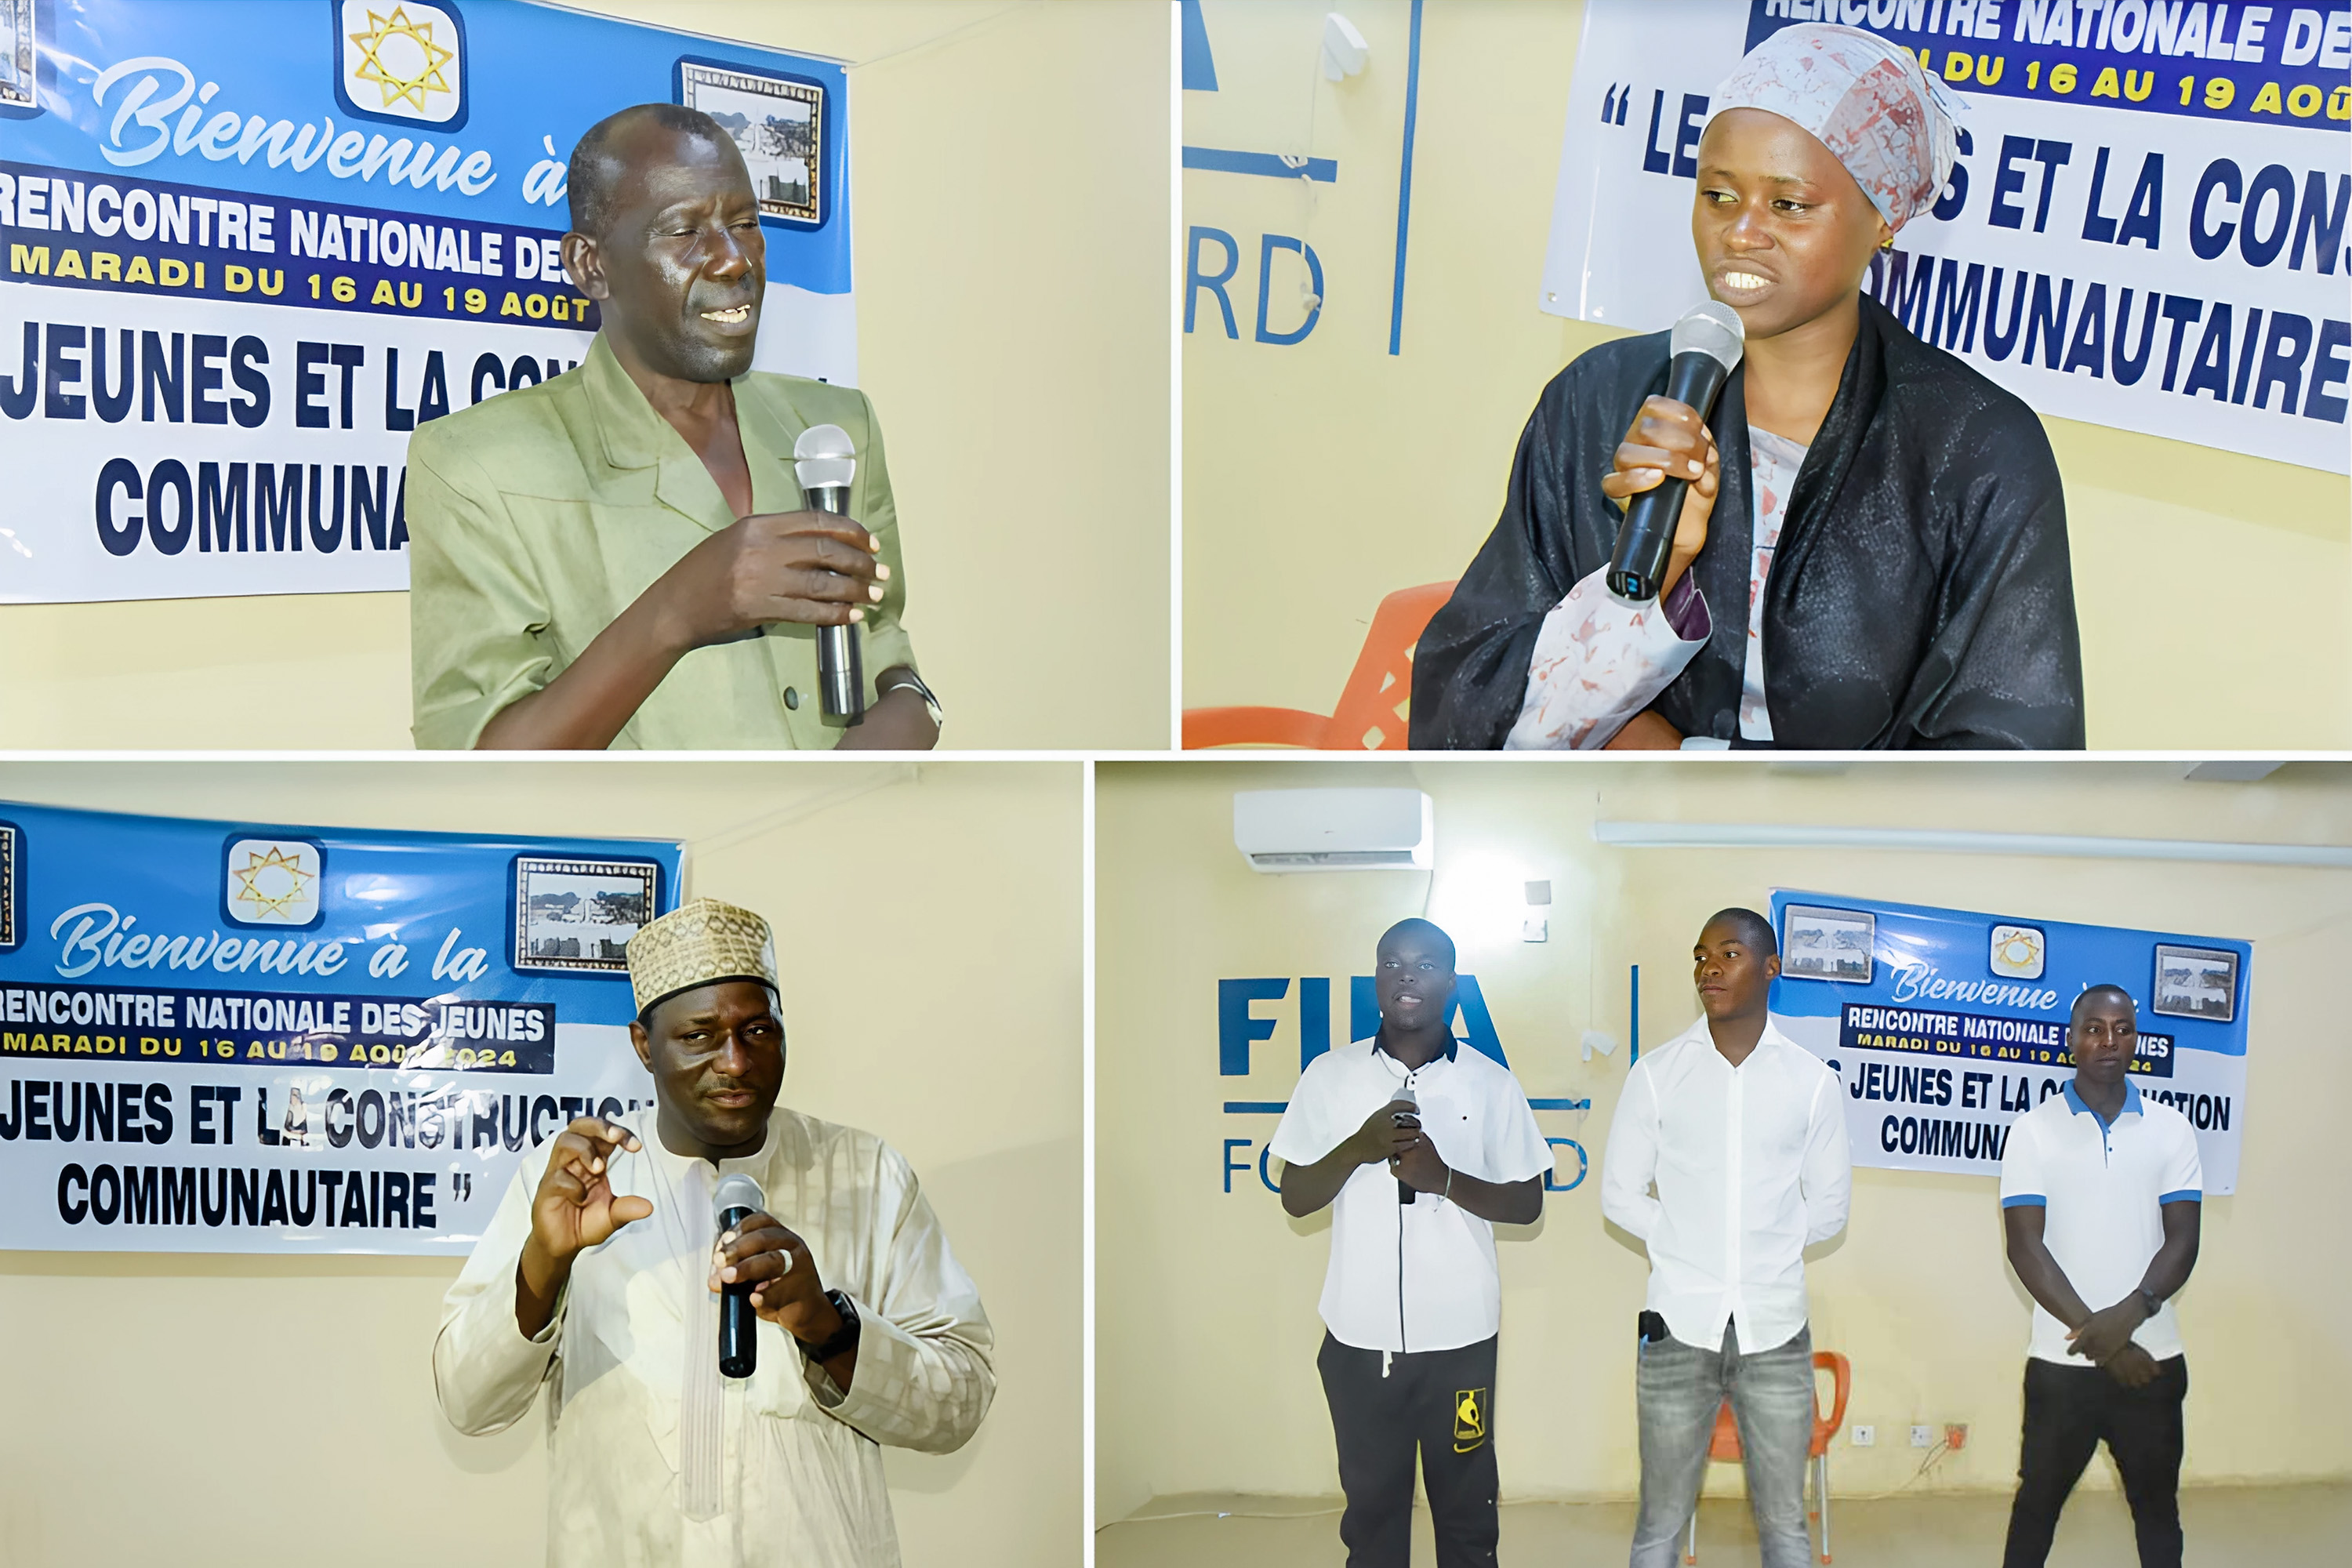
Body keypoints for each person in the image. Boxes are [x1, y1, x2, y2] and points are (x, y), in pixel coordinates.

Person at [1411, 24, 2083, 750]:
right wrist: (1646, 581)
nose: (1740, 233)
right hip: (1609, 842)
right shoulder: (1595, 402)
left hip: (1843, 862)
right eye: (1719, 196)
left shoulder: (1976, 450)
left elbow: (2008, 765)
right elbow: (1464, 706)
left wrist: (1705, 780)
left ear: (1884, 216)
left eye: (1789, 205)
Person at [433, 898, 993, 1566]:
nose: (734, 1062)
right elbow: (468, 1405)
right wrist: (542, 1267)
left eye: (758, 1031)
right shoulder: (575, 1181)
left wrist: (830, 1326)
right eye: (698, 1035)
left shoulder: (867, 1175)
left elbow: (960, 1403)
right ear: (645, 1046)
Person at [407, 103, 942, 750]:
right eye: (684, 231)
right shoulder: (476, 465)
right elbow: (483, 764)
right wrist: (678, 610)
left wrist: (907, 708)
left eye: (745, 223)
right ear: (590, 266)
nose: (731, 259)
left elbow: (881, 635)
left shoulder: (836, 427)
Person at [1269, 918, 1551, 1568]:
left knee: (1466, 1516)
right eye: (1391, 962)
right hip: (1359, 1341)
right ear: (1376, 979)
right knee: (1371, 1521)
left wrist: (1443, 1179)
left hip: (1460, 1343)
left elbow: (1528, 1203)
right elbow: (1295, 1197)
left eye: (1424, 964)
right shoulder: (1330, 1076)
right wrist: (1360, 1148)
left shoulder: (1490, 1084)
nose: (1406, 975)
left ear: (1451, 983)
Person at [1600, 909, 1851, 1568]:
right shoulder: (1657, 1074)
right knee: (1658, 1525)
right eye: (1701, 955)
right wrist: (1687, 1238)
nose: (1710, 967)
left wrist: (1761, 1241)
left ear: (1771, 968)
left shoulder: (1811, 1082)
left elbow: (1829, 1208)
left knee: (1785, 1527)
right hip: (1678, 1327)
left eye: (1730, 953)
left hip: (1776, 1332)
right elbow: (1620, 1194)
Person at [1998, 984, 2202, 1568]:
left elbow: (2183, 1240)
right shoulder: (2032, 1131)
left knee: (2158, 1510)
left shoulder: (2172, 1129)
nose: (2109, 1041)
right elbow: (2024, 1247)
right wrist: (2104, 1340)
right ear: (2071, 1040)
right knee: (2036, 1507)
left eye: (2122, 1029)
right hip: (2062, 1364)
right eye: (2094, 1028)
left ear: (2136, 1038)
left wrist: (2132, 1314)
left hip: (2154, 1361)